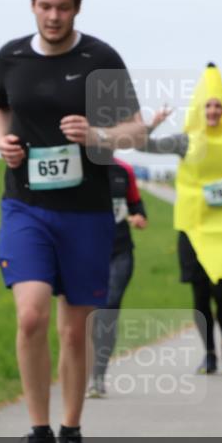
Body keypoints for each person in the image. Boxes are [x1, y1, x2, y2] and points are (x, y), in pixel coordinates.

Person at [0, 0, 145, 443]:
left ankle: (71, 432)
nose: (53, 16)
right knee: (31, 314)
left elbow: (136, 131)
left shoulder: (100, 59)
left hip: (85, 211)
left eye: (62, 8)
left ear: (77, 8)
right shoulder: (11, 56)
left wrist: (97, 137)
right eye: (44, 6)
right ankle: (38, 432)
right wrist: (2, 141)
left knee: (74, 332)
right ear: (33, 4)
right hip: (26, 204)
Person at [143, 64, 222, 376]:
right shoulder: (185, 141)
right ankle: (210, 353)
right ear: (199, 109)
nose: (213, 111)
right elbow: (142, 146)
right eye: (208, 106)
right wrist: (152, 125)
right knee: (200, 294)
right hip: (192, 227)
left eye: (218, 106)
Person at [89, 158, 148, 398]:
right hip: (89, 253)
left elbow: (138, 209)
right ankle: (84, 369)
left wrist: (138, 218)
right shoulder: (82, 167)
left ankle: (98, 376)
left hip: (120, 252)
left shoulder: (124, 171)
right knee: (89, 314)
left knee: (109, 307)